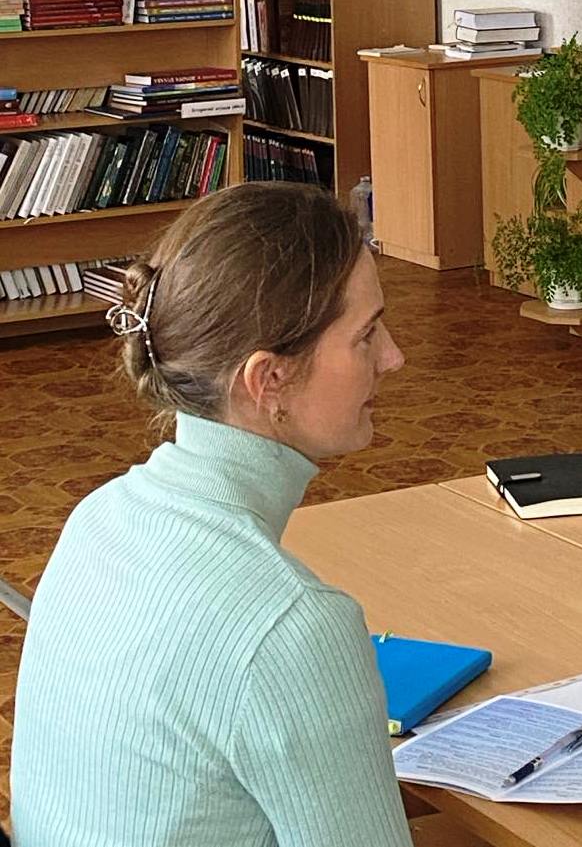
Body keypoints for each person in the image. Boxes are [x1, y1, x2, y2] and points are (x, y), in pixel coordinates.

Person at [10, 182, 413, 846]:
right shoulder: (294, 627)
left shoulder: (98, 517)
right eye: (366, 335)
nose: (394, 357)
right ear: (269, 380)